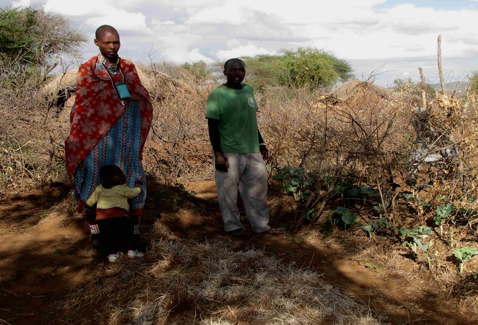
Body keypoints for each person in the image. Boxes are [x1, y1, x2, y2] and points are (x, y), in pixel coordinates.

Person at [65, 25, 153, 250]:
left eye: (116, 42)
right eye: (107, 42)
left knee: (133, 182)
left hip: (127, 140)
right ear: (97, 43)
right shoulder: (88, 69)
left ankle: (133, 235)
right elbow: (83, 105)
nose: (112, 47)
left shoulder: (128, 67)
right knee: (93, 185)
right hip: (99, 141)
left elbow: (140, 94)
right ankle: (96, 236)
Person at [205, 58, 281, 237]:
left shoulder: (248, 90)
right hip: (228, 151)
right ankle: (233, 226)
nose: (237, 73)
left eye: (240, 70)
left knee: (258, 191)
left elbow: (251, 120)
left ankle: (261, 227)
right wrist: (218, 153)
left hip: (252, 149)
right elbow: (212, 126)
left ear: (245, 72)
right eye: (232, 70)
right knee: (228, 191)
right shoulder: (217, 94)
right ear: (224, 73)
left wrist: (261, 143)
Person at [86, 165, 144, 262]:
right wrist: (139, 186)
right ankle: (132, 251)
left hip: (102, 220)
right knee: (128, 234)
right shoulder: (121, 188)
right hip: (119, 217)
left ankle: (112, 255)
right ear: (107, 180)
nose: (121, 177)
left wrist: (86, 207)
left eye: (121, 174)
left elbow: (90, 201)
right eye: (116, 176)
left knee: (109, 237)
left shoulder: (99, 188)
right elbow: (132, 193)